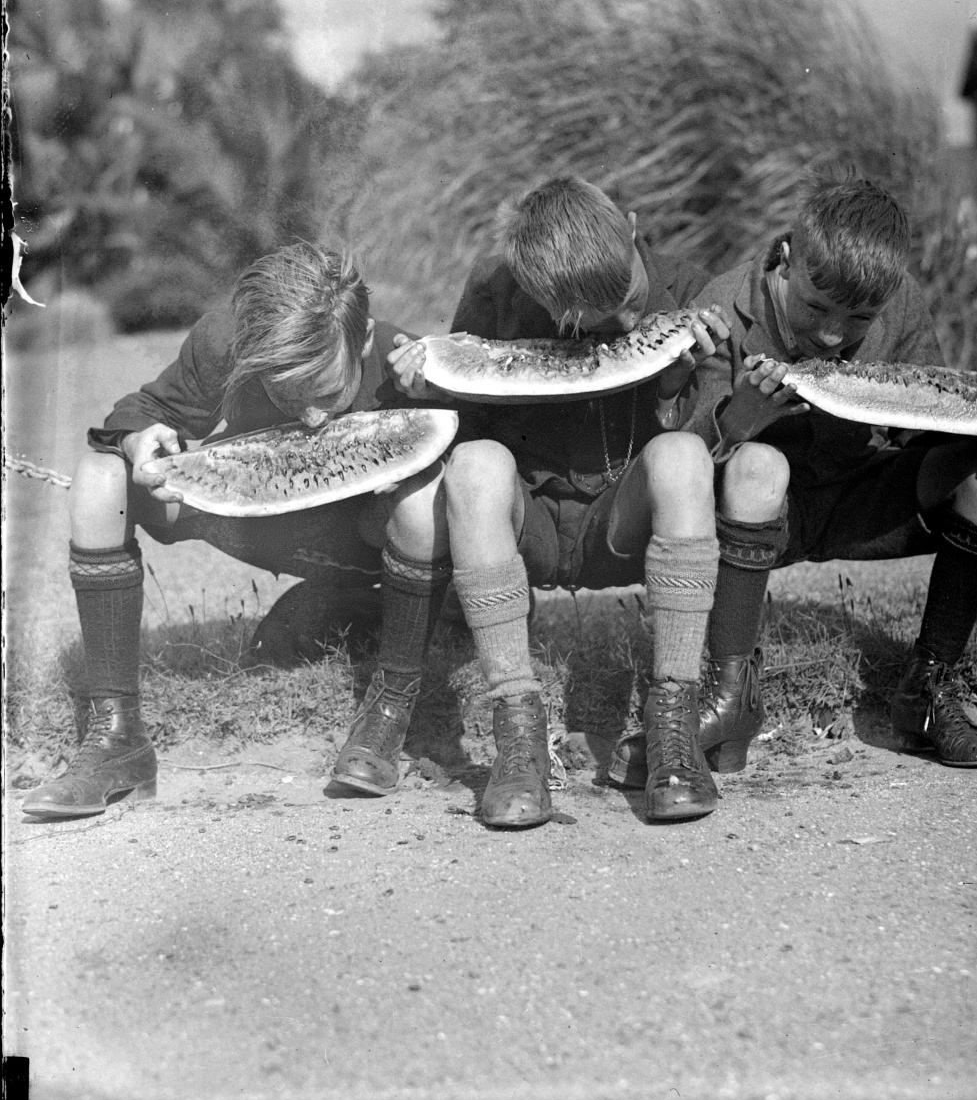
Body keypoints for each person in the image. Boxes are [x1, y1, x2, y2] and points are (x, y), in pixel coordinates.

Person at [608, 176, 977, 788]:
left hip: (865, 502)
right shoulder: (724, 308)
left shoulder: (898, 299)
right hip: (761, 520)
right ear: (787, 260)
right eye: (815, 308)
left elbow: (923, 422)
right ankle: (730, 698)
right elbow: (685, 467)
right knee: (756, 466)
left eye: (857, 318)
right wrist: (742, 417)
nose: (831, 334)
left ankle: (929, 691)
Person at [22, 243, 454, 819]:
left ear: (366, 340)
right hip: (262, 528)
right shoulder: (224, 342)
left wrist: (443, 394)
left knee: (423, 499)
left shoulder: (401, 363)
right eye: (287, 395)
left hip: (375, 548)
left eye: (327, 395)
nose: (311, 422)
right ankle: (116, 738)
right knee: (101, 475)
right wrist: (137, 440)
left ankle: (389, 713)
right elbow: (142, 408)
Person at [391, 175, 730, 828]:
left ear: (632, 226)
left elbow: (705, 459)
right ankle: (518, 734)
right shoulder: (497, 288)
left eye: (633, 300)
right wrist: (428, 383)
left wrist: (675, 388)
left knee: (684, 457)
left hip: (621, 523)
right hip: (535, 523)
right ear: (552, 302)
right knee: (473, 466)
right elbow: (467, 411)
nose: (632, 323)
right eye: (607, 320)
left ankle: (675, 725)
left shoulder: (689, 289)